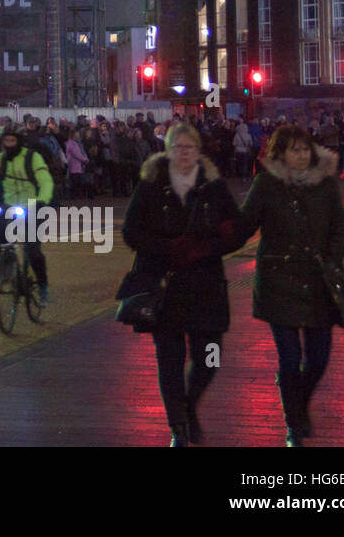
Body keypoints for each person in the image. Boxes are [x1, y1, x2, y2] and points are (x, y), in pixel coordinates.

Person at [119, 123, 241, 446]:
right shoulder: (150, 184)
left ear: (198, 151)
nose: (183, 154)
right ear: (167, 150)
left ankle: (188, 406)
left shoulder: (213, 186)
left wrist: (207, 248)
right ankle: (178, 428)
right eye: (177, 147)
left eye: (189, 148)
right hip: (166, 288)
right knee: (169, 360)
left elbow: (235, 229)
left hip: (206, 285)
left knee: (209, 356)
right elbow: (131, 231)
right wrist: (167, 248)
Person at [236, 125, 344, 446]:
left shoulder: (325, 184)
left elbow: (339, 229)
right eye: (294, 150)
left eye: (305, 149)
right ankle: (294, 425)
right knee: (289, 358)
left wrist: (332, 260)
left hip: (318, 283)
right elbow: (245, 225)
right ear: (280, 153)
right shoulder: (267, 184)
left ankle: (296, 399)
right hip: (278, 282)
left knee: (318, 358)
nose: (301, 155)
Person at [0, 128, 56, 304]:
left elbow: (45, 180)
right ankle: (6, 263)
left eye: (12, 141)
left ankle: (43, 286)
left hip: (33, 205)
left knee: (33, 250)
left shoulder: (32, 158)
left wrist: (42, 200)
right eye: (6, 141)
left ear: (19, 142)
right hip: (9, 204)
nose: (9, 145)